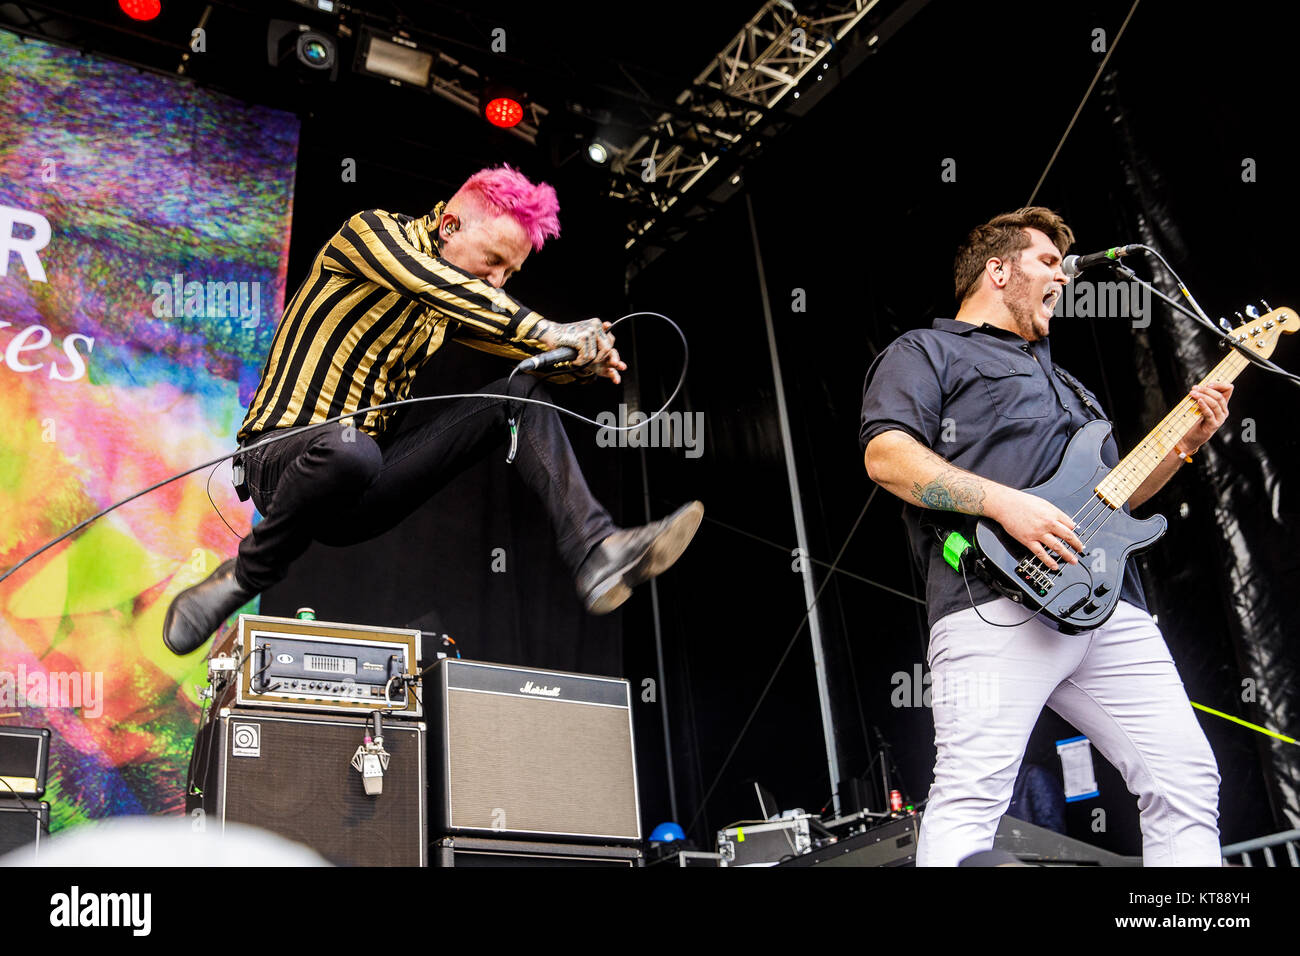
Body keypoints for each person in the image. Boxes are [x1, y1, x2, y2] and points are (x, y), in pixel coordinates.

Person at [163, 165, 702, 655]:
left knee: (521, 394)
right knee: (350, 450)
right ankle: (244, 576)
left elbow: (517, 343)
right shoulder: (368, 234)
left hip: (360, 488)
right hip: (279, 462)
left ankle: (596, 550)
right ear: (449, 226)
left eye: (509, 272)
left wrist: (581, 360)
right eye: (493, 260)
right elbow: (457, 295)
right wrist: (556, 331)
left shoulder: (458, 302)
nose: (497, 280)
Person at [859, 207, 1229, 866]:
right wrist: (1007, 506)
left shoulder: (1074, 389)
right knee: (973, 796)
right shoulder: (927, 351)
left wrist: (1185, 446)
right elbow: (887, 456)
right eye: (1047, 262)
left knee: (1187, 781)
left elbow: (1118, 494)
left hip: (1105, 603)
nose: (1063, 276)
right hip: (990, 599)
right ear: (997, 271)